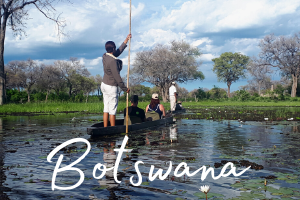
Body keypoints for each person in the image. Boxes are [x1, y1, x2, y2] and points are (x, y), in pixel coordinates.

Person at [101, 34, 131, 127]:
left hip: (104, 85)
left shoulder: (105, 56)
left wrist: (126, 40)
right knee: (112, 109)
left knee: (106, 108)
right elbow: (117, 77)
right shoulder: (113, 61)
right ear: (113, 49)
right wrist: (125, 89)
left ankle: (105, 128)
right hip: (111, 86)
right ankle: (112, 129)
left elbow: (117, 52)